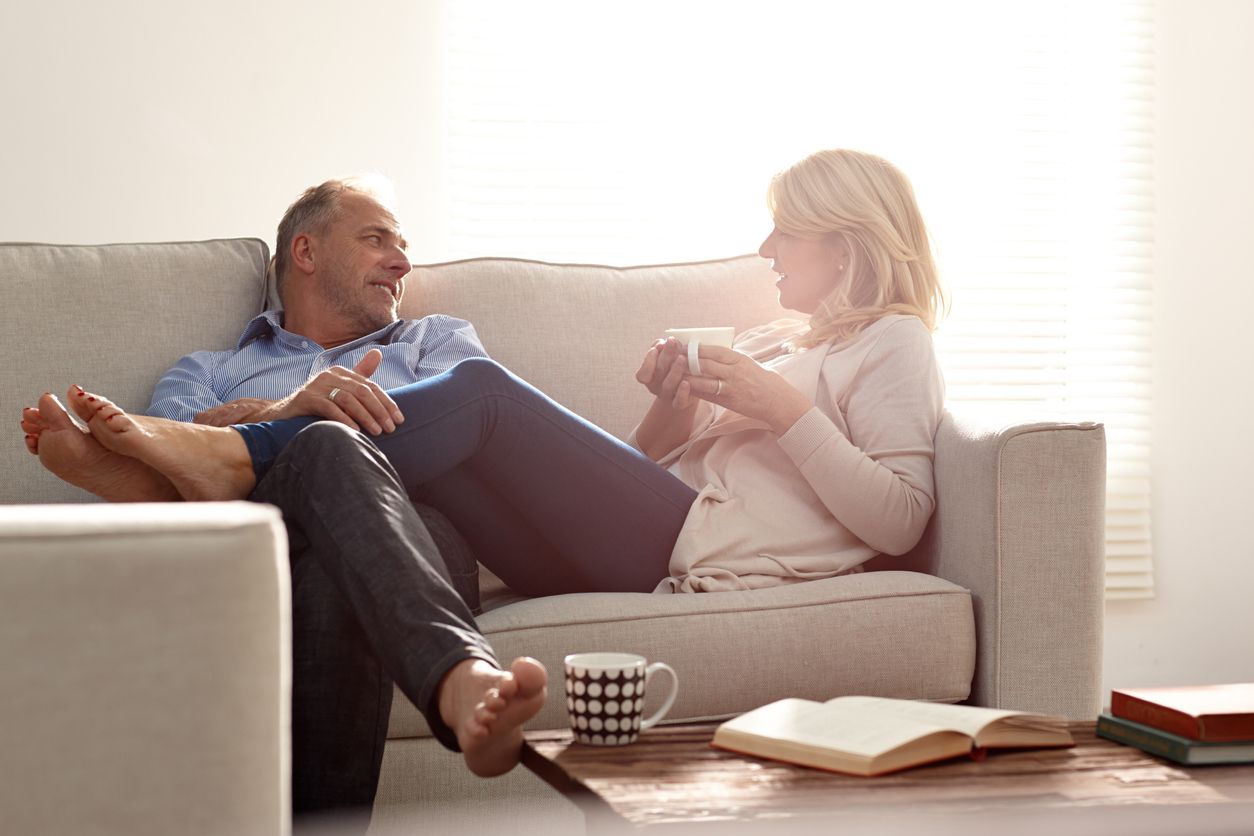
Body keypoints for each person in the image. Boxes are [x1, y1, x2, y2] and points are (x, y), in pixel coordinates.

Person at [24, 146, 947, 811]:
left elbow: (901, 516)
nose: (767, 246)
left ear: (846, 238)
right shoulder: (785, 342)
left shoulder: (892, 341)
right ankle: (441, 671)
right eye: (375, 238)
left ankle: (219, 473)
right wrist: (674, 407)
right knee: (330, 448)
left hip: (687, 539)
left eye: (786, 228)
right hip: (660, 525)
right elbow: (657, 467)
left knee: (463, 397)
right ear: (302, 254)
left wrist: (775, 405)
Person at [20, 176, 547, 832]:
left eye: (403, 245)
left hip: (411, 531)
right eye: (377, 239)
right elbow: (177, 452)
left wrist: (271, 424)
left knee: (324, 469)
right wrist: (289, 408)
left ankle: (144, 481)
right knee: (308, 534)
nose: (403, 261)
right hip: (262, 549)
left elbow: (470, 442)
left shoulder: (433, 340)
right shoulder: (205, 370)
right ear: (305, 252)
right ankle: (458, 679)